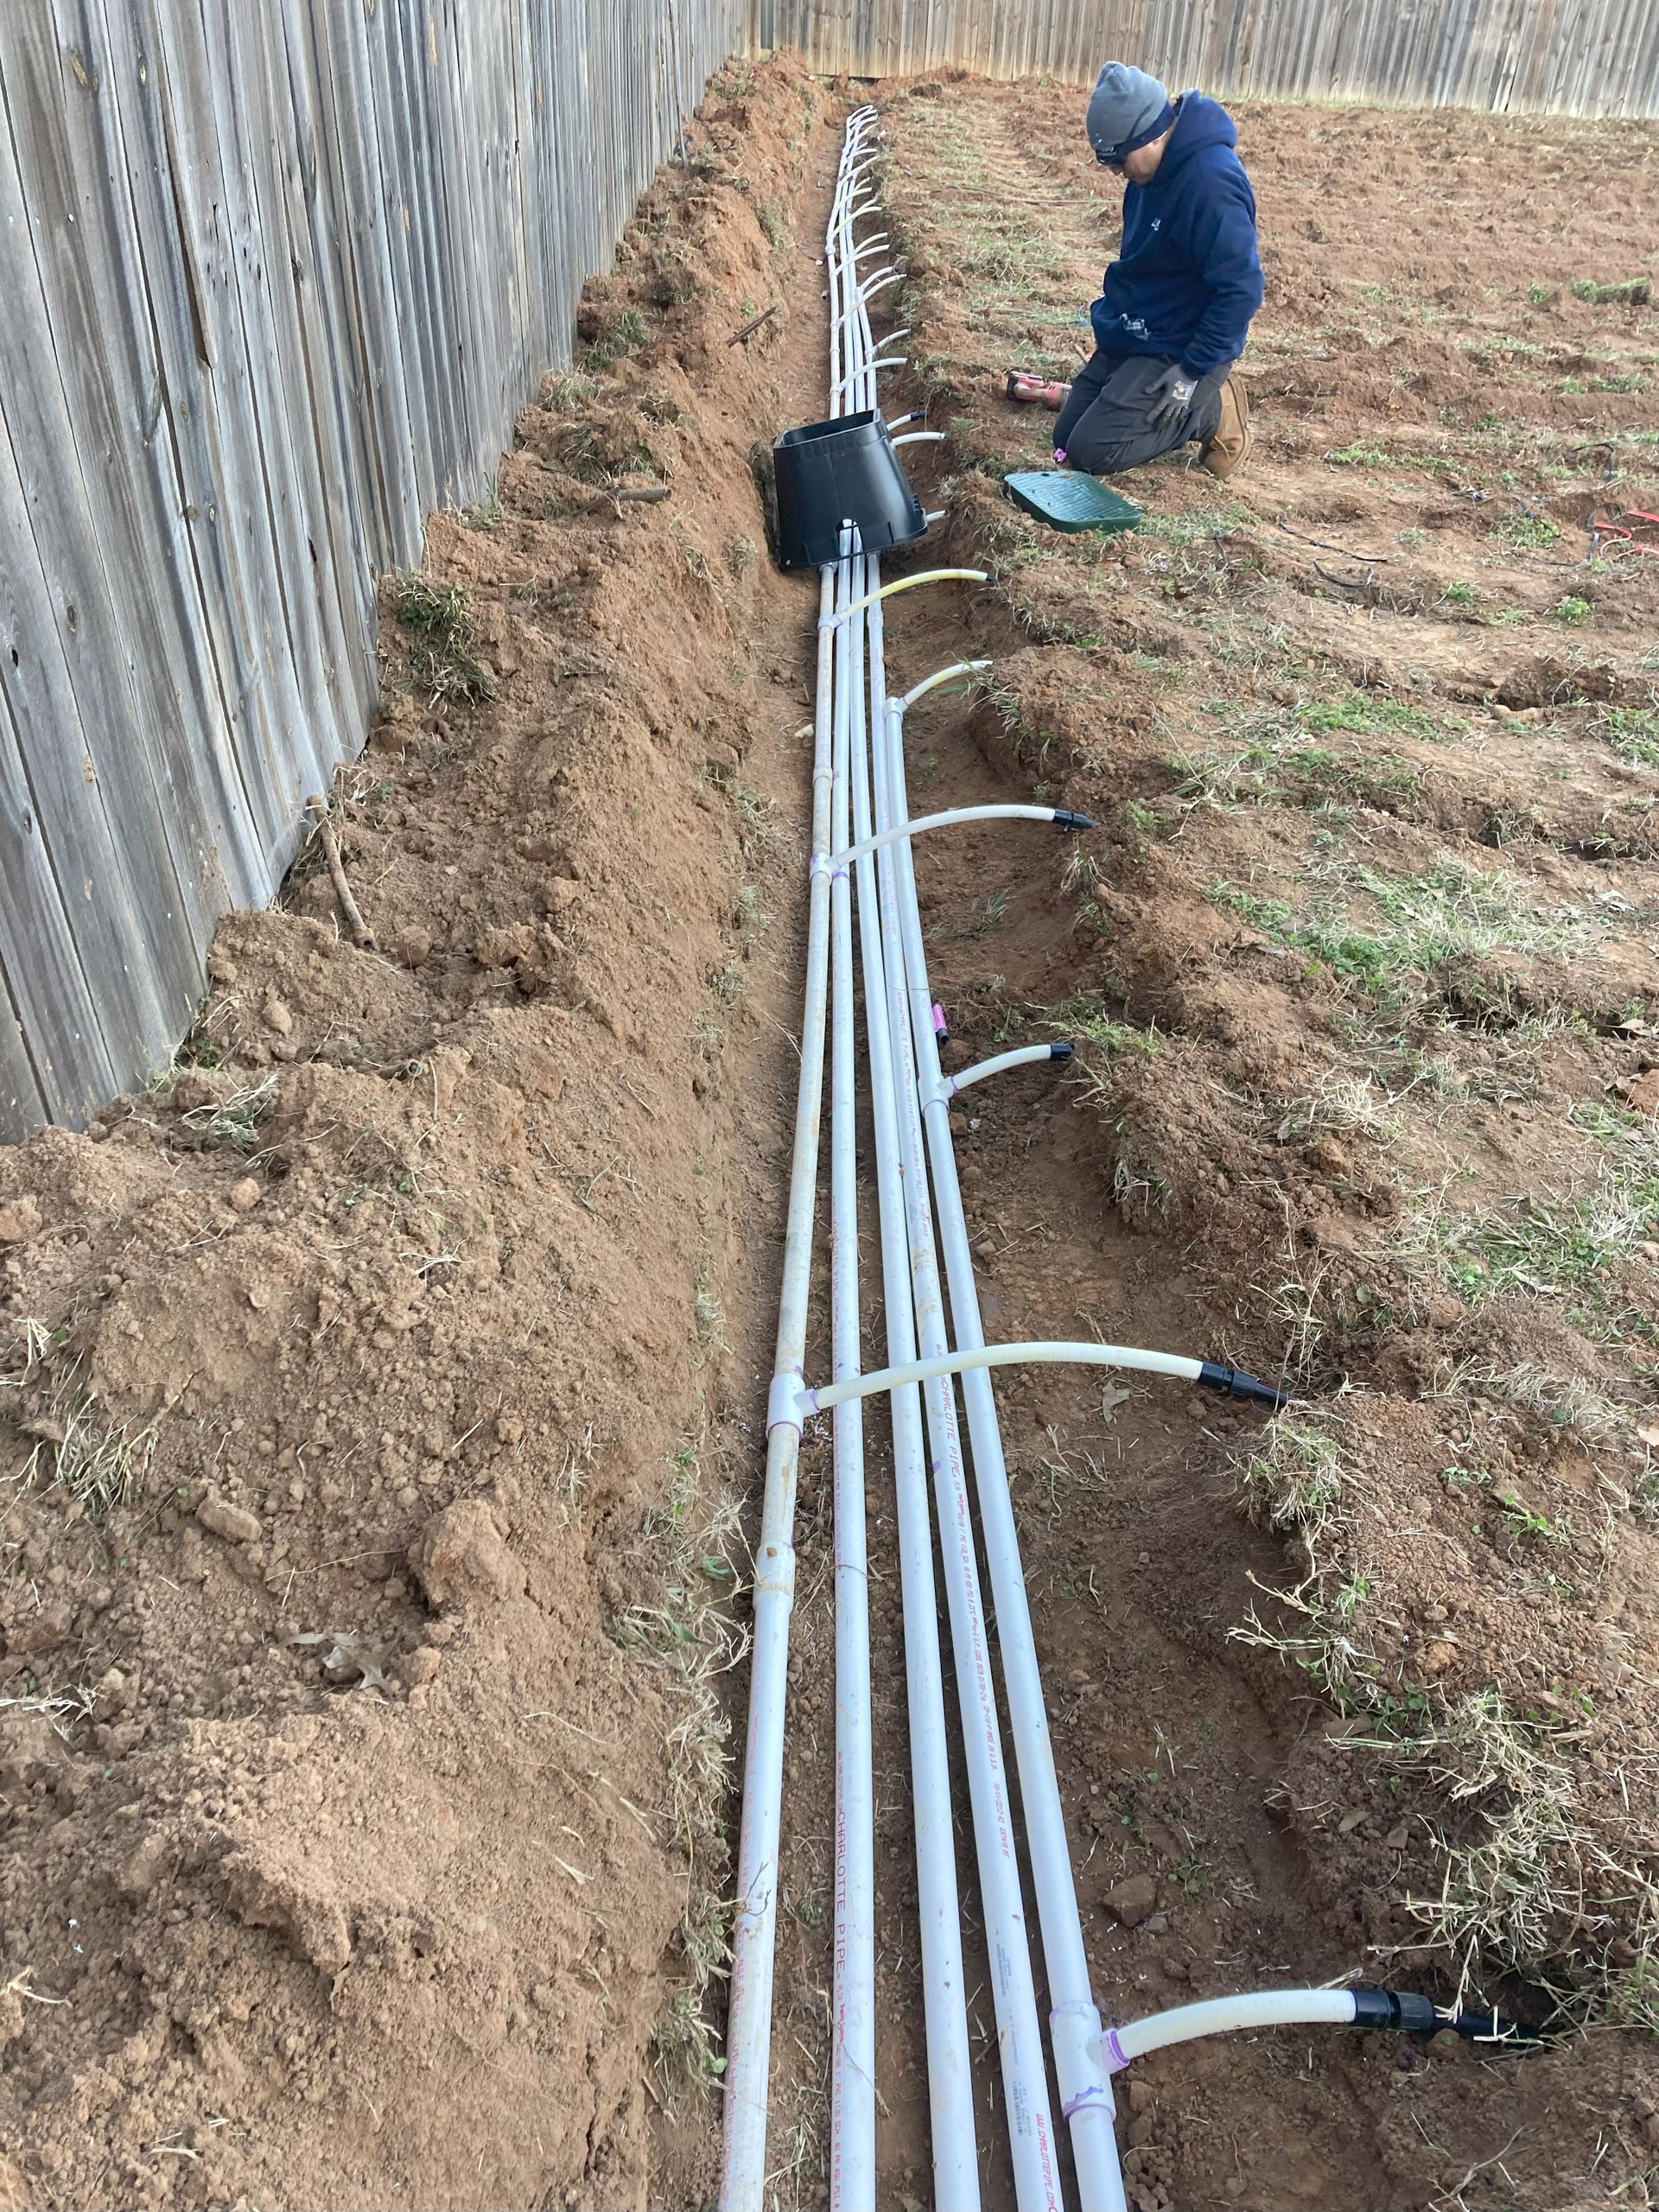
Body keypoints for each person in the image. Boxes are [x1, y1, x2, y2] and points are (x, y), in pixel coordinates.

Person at [1052, 62, 1263, 481]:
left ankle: (1212, 407)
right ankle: (1133, 387)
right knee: (1065, 438)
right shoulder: (1149, 175)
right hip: (1143, 329)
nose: (1114, 170)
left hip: (1183, 346)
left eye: (1116, 157)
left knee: (1093, 452)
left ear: (1148, 135)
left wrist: (1192, 370)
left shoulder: (1209, 184)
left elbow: (1242, 289)